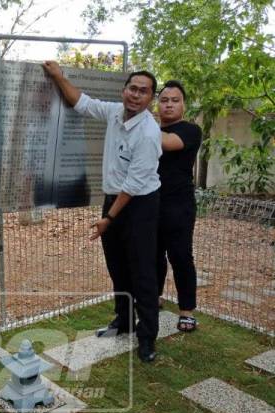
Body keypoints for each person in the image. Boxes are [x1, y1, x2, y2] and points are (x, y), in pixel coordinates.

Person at [43, 62, 162, 362]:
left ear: (151, 98)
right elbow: (82, 103)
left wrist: (109, 219)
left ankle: (147, 337)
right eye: (132, 88)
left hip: (139, 205)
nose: (136, 95)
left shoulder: (148, 133)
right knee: (118, 266)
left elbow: (134, 185)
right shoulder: (114, 113)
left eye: (143, 91)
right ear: (124, 91)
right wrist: (58, 76)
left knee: (142, 272)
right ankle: (124, 321)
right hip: (114, 200)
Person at [157, 80, 202, 331]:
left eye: (175, 100)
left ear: (183, 104)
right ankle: (154, 298)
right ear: (158, 105)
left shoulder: (190, 131)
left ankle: (186, 311)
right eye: (164, 100)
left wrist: (138, 123)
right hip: (151, 204)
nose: (169, 105)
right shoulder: (152, 129)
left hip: (179, 206)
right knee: (154, 256)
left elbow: (168, 143)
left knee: (181, 257)